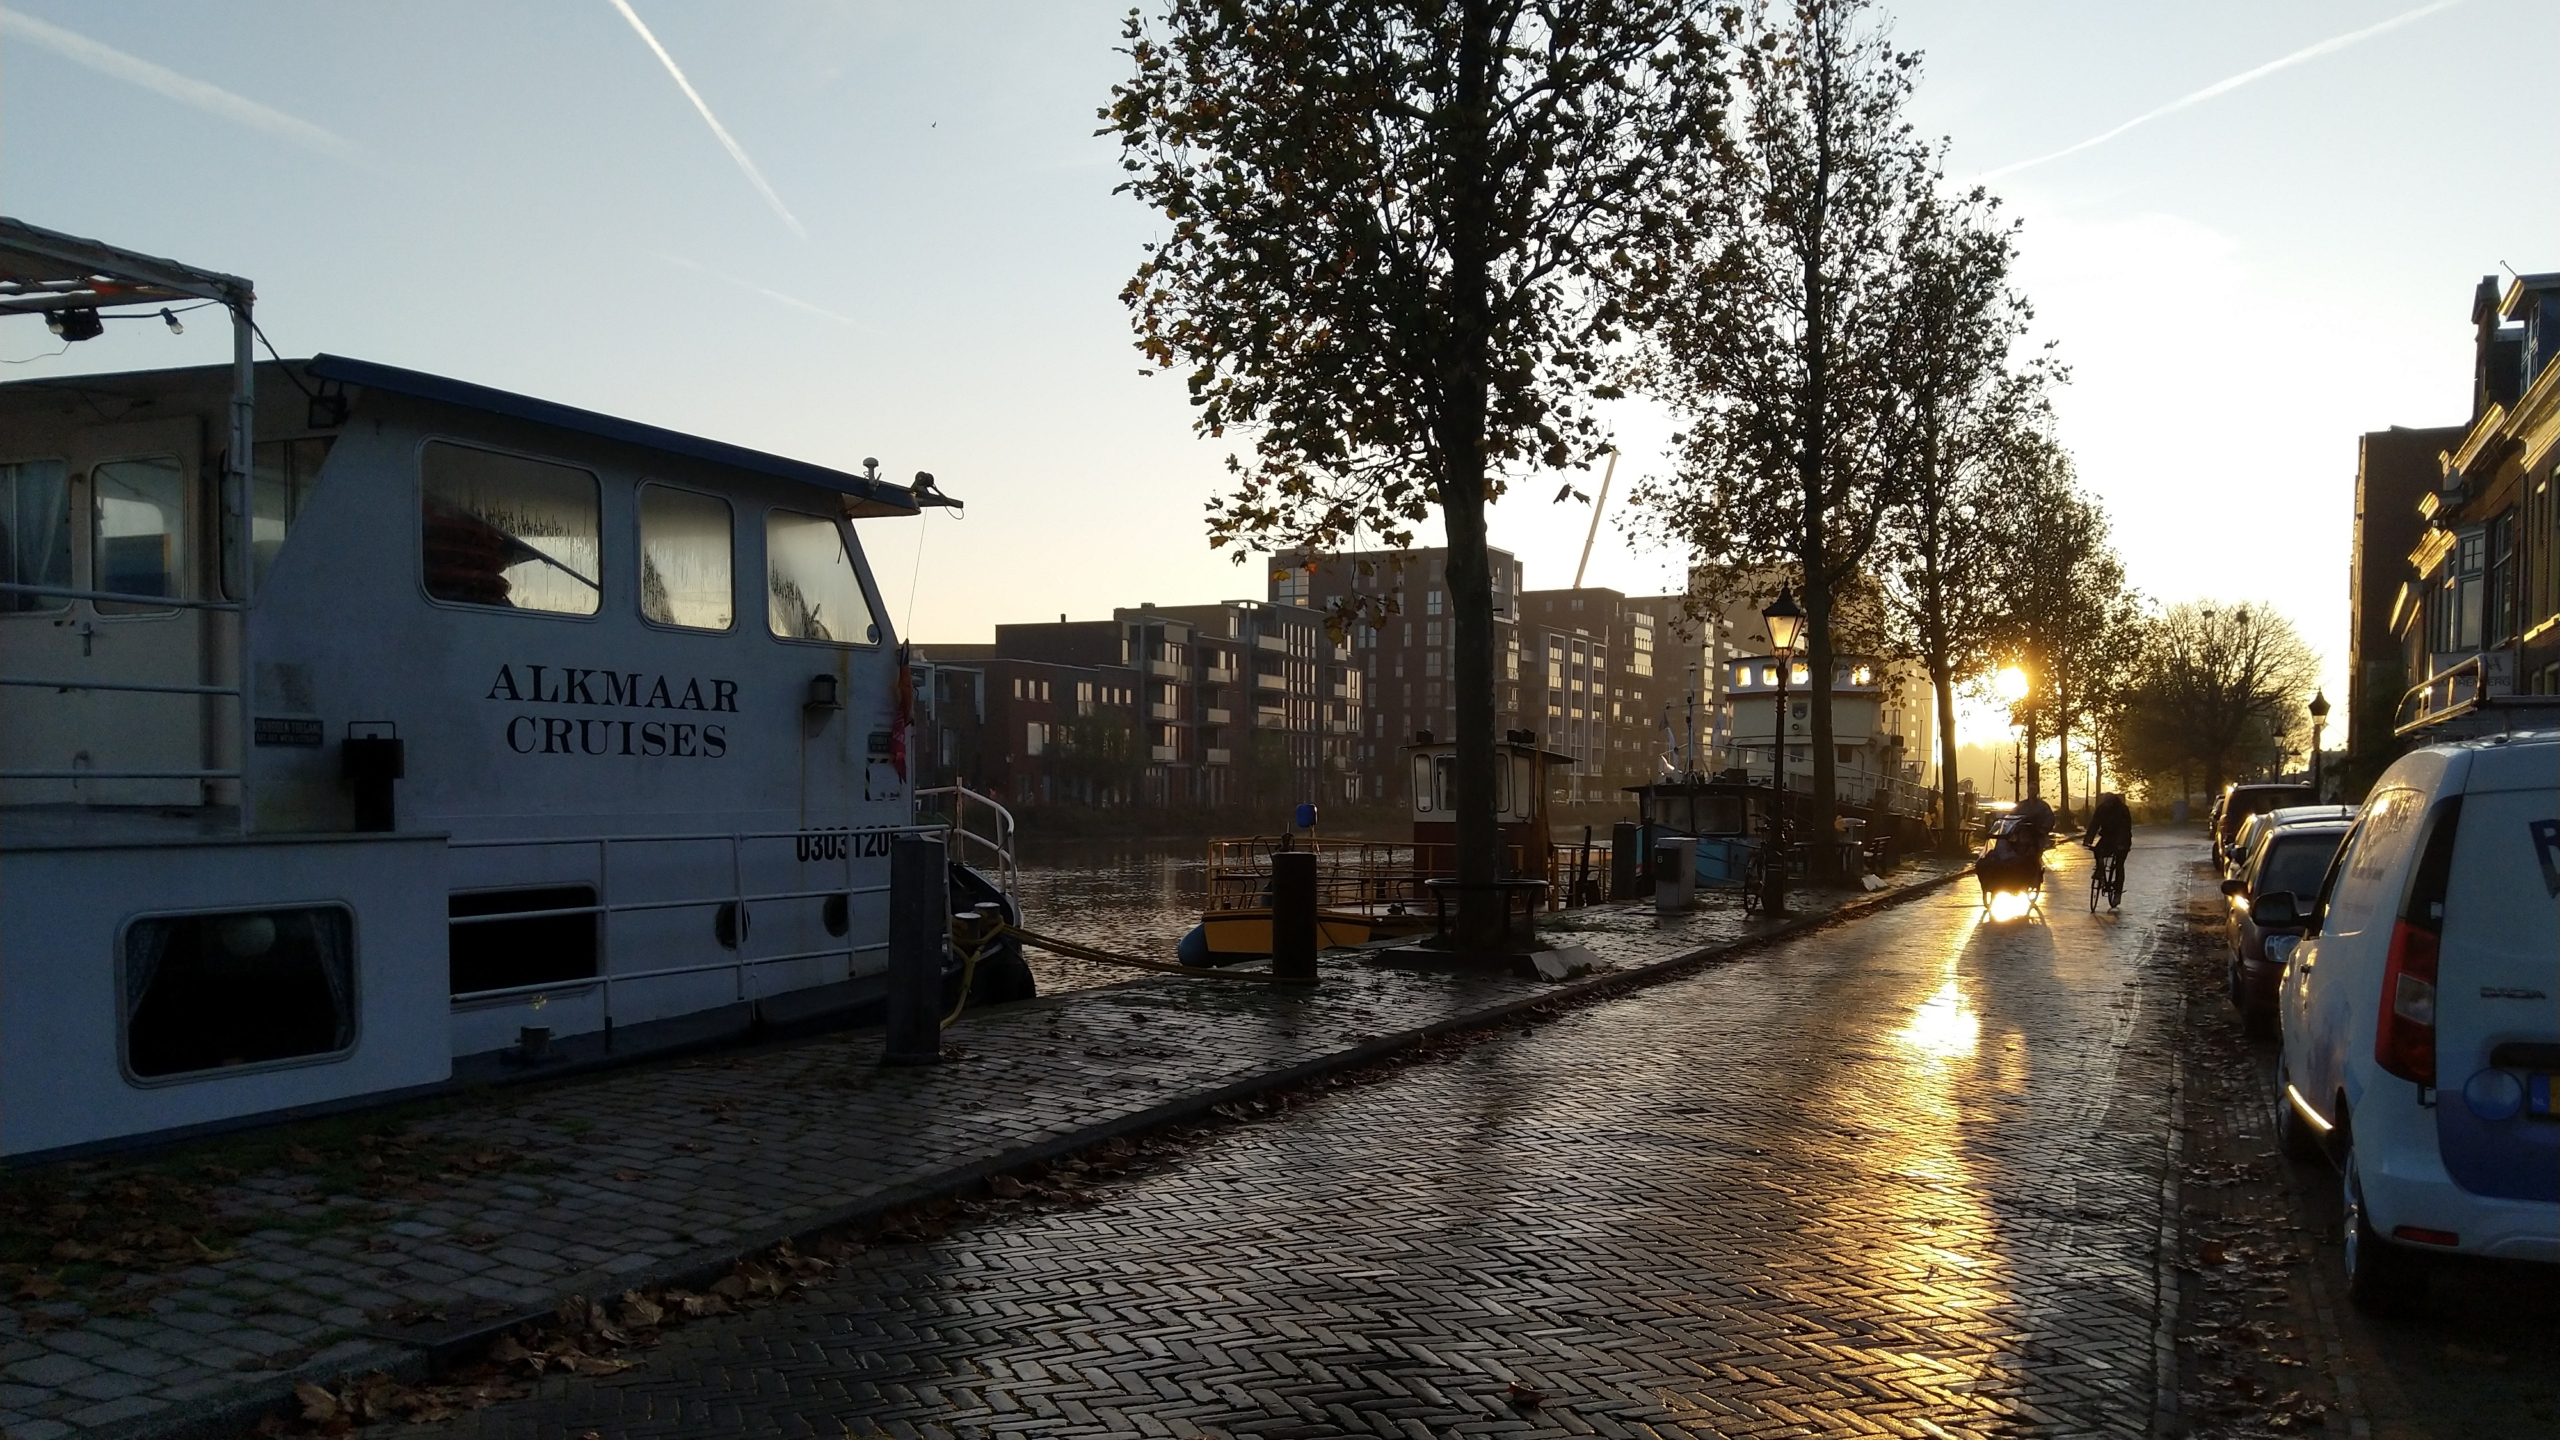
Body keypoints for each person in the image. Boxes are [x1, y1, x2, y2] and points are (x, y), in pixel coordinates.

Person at [2082, 791, 2132, 867]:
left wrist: (2121, 843)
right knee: (2097, 852)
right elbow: (2094, 824)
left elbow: (2125, 827)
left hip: (2123, 839)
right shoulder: (2101, 809)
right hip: (2107, 837)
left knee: (2119, 864)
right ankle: (2099, 867)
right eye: (2106, 802)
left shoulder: (2122, 809)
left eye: (2109, 802)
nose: (2107, 804)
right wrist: (2088, 840)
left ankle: (2119, 877)